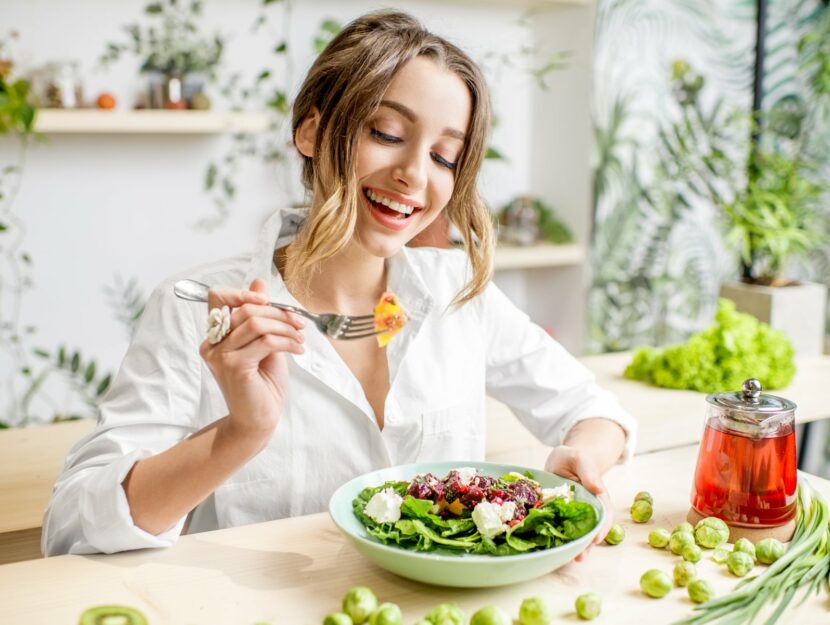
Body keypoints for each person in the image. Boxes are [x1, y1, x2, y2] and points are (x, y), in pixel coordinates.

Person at [42, 10, 636, 557]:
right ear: (311, 132)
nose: (413, 175)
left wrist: (581, 459)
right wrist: (240, 432)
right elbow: (72, 528)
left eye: (445, 157)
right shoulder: (198, 307)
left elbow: (592, 410)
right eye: (385, 133)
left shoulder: (459, 293)